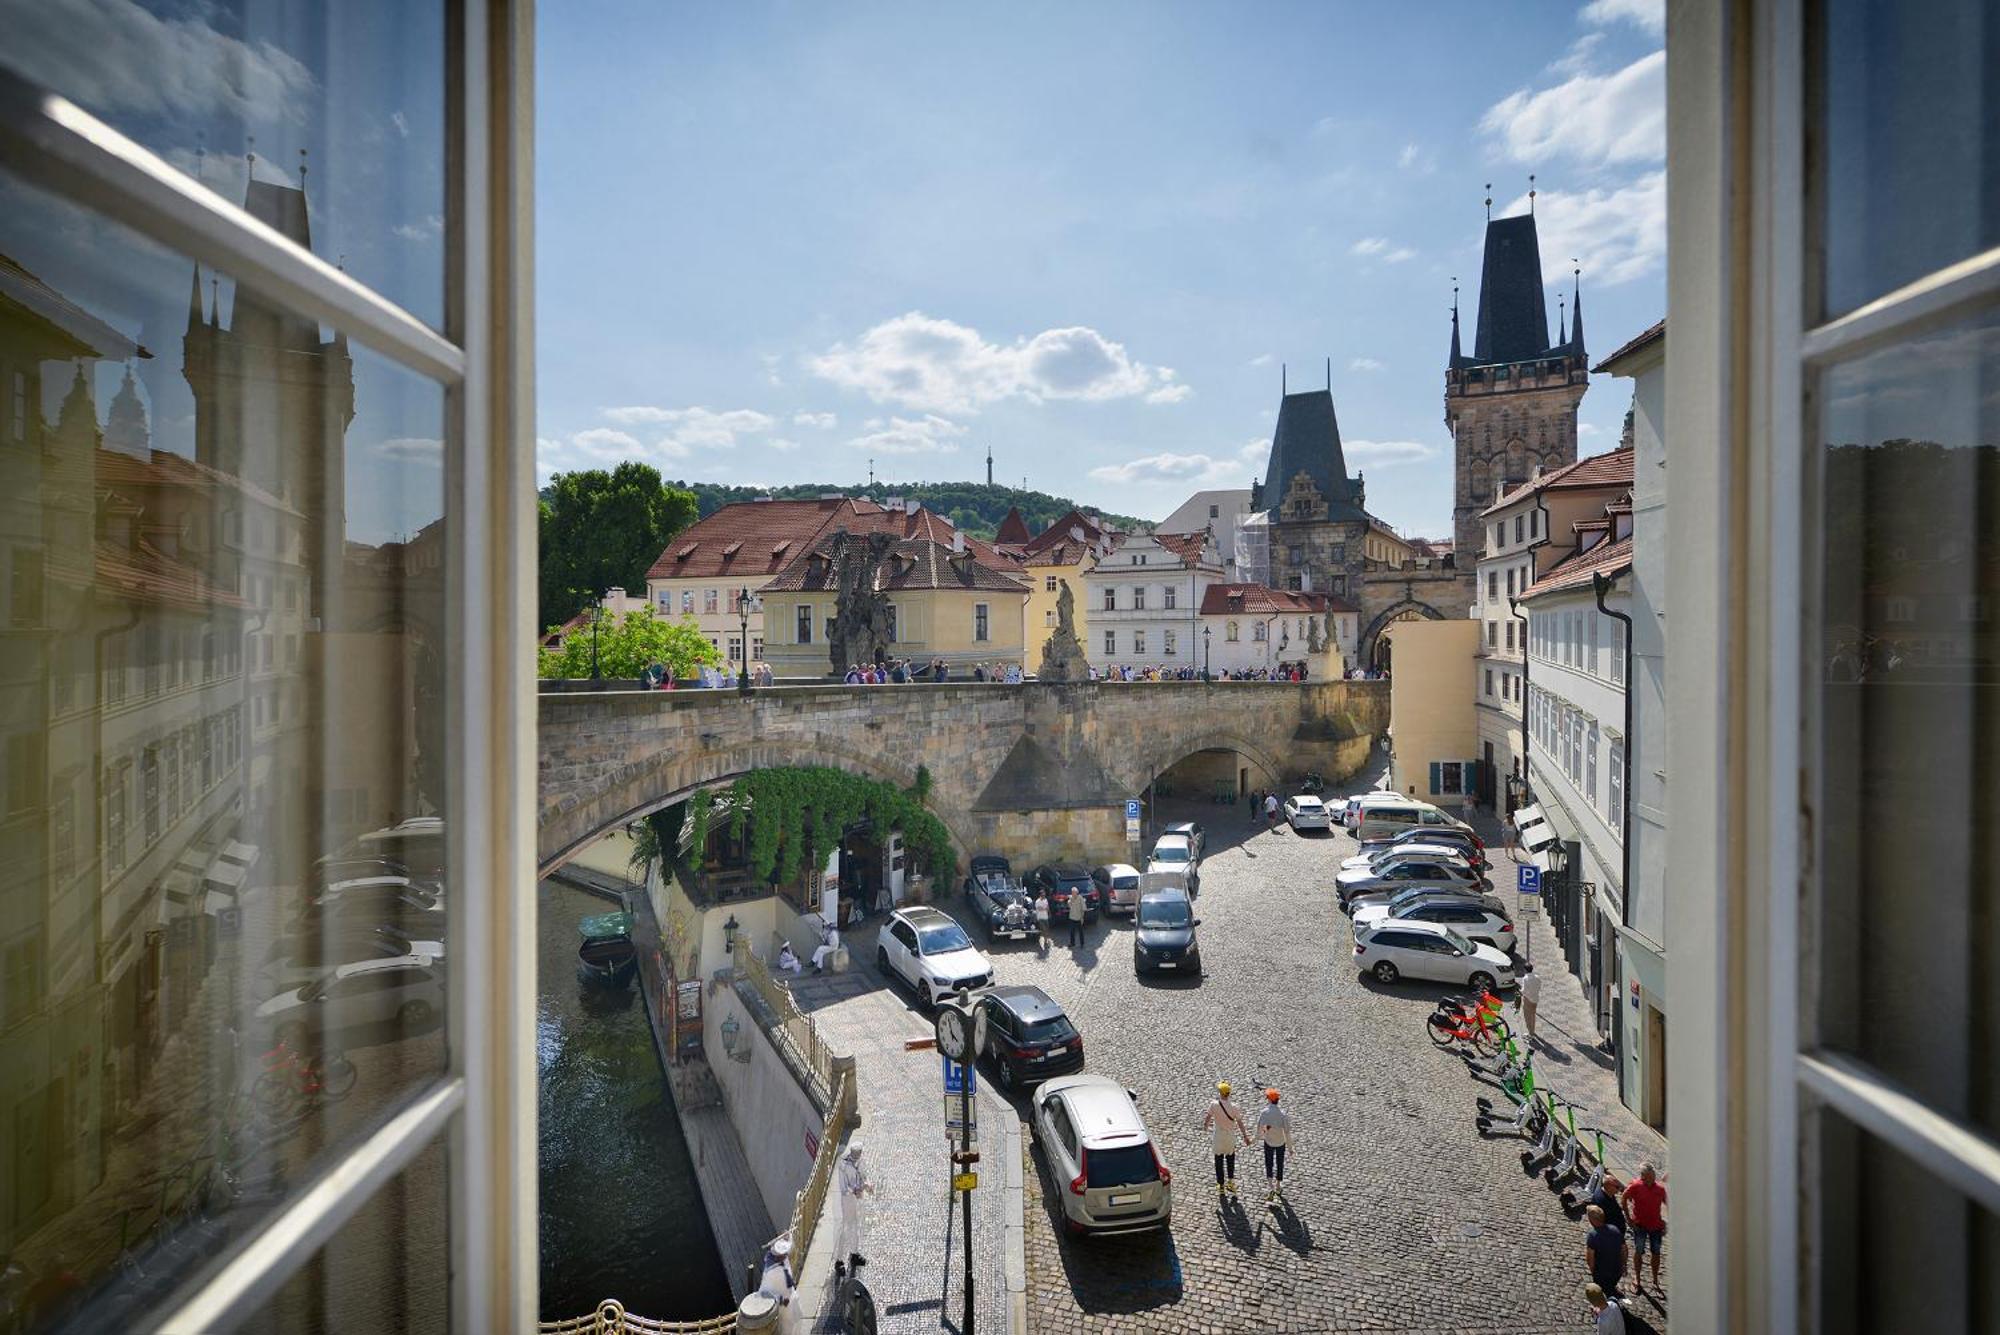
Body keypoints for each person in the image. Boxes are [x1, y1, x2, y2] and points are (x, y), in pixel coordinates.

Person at [1622, 1162, 1667, 1293]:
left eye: (1653, 1175)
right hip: (1640, 1226)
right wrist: (1628, 1218)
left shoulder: (1660, 1189)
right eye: (1650, 1176)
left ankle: (1655, 1280)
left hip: (1656, 1227)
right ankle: (1637, 1278)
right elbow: (1624, 1198)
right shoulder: (1635, 1186)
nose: (1653, 1178)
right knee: (1638, 1251)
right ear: (1643, 1176)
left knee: (1656, 1253)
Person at [1202, 1081, 1252, 1196]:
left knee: (1218, 1160)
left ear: (1220, 1093)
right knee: (1230, 1159)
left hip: (1218, 1135)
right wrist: (1245, 1136)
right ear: (1228, 1094)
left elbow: (1208, 1118)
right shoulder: (1234, 1107)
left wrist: (1205, 1127)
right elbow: (1240, 1123)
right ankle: (1231, 1182)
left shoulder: (1214, 1104)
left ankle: (1221, 1185)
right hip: (1230, 1136)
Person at [838, 1141, 875, 1267]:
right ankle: (839, 1261)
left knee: (856, 1227)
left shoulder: (861, 1161)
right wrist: (855, 1191)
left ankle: (854, 1254)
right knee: (846, 1229)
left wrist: (868, 1184)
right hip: (848, 1200)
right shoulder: (843, 1166)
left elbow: (864, 1176)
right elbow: (844, 1188)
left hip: (858, 1199)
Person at [1256, 1087, 1291, 1204]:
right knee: (1280, 1163)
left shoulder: (1265, 1113)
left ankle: (1270, 1187)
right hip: (1280, 1142)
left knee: (1269, 1163)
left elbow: (1261, 1129)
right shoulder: (1283, 1114)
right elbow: (1287, 1132)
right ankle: (1278, 1186)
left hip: (1269, 1142)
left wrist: (1255, 1139)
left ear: (1269, 1100)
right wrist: (1290, 1148)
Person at [1584, 1203, 1626, 1297]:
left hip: (1601, 1273)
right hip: (1616, 1270)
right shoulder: (1615, 1229)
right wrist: (1623, 1264)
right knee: (1611, 1286)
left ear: (1592, 1220)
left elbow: (1590, 1258)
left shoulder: (1593, 1235)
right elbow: (1624, 1249)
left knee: (1601, 1291)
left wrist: (1593, 1270)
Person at [757, 1235, 796, 1331]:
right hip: (782, 1303)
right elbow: (765, 1293)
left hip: (789, 1297)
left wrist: (788, 1236)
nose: (786, 1256)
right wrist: (781, 1300)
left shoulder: (782, 1258)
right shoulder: (770, 1272)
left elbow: (791, 1244)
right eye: (784, 1254)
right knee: (784, 1327)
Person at [1518, 961, 1543, 1044]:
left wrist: (1519, 990)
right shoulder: (1537, 977)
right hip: (1535, 999)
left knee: (1527, 1017)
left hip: (1528, 999)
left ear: (1525, 970)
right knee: (1533, 1016)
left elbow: (1524, 991)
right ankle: (1533, 1031)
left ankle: (1530, 1033)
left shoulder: (1525, 978)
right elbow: (1539, 986)